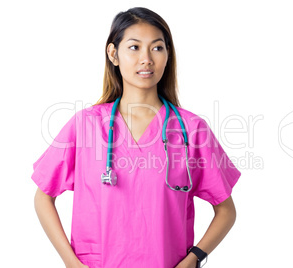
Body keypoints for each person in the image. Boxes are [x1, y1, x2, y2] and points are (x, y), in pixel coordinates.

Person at [32, 7, 241, 268]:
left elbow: (226, 210)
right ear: (113, 54)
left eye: (157, 48)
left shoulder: (191, 130)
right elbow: (43, 197)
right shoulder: (86, 125)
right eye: (134, 47)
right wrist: (71, 262)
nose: (146, 59)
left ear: (167, 56)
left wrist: (193, 260)